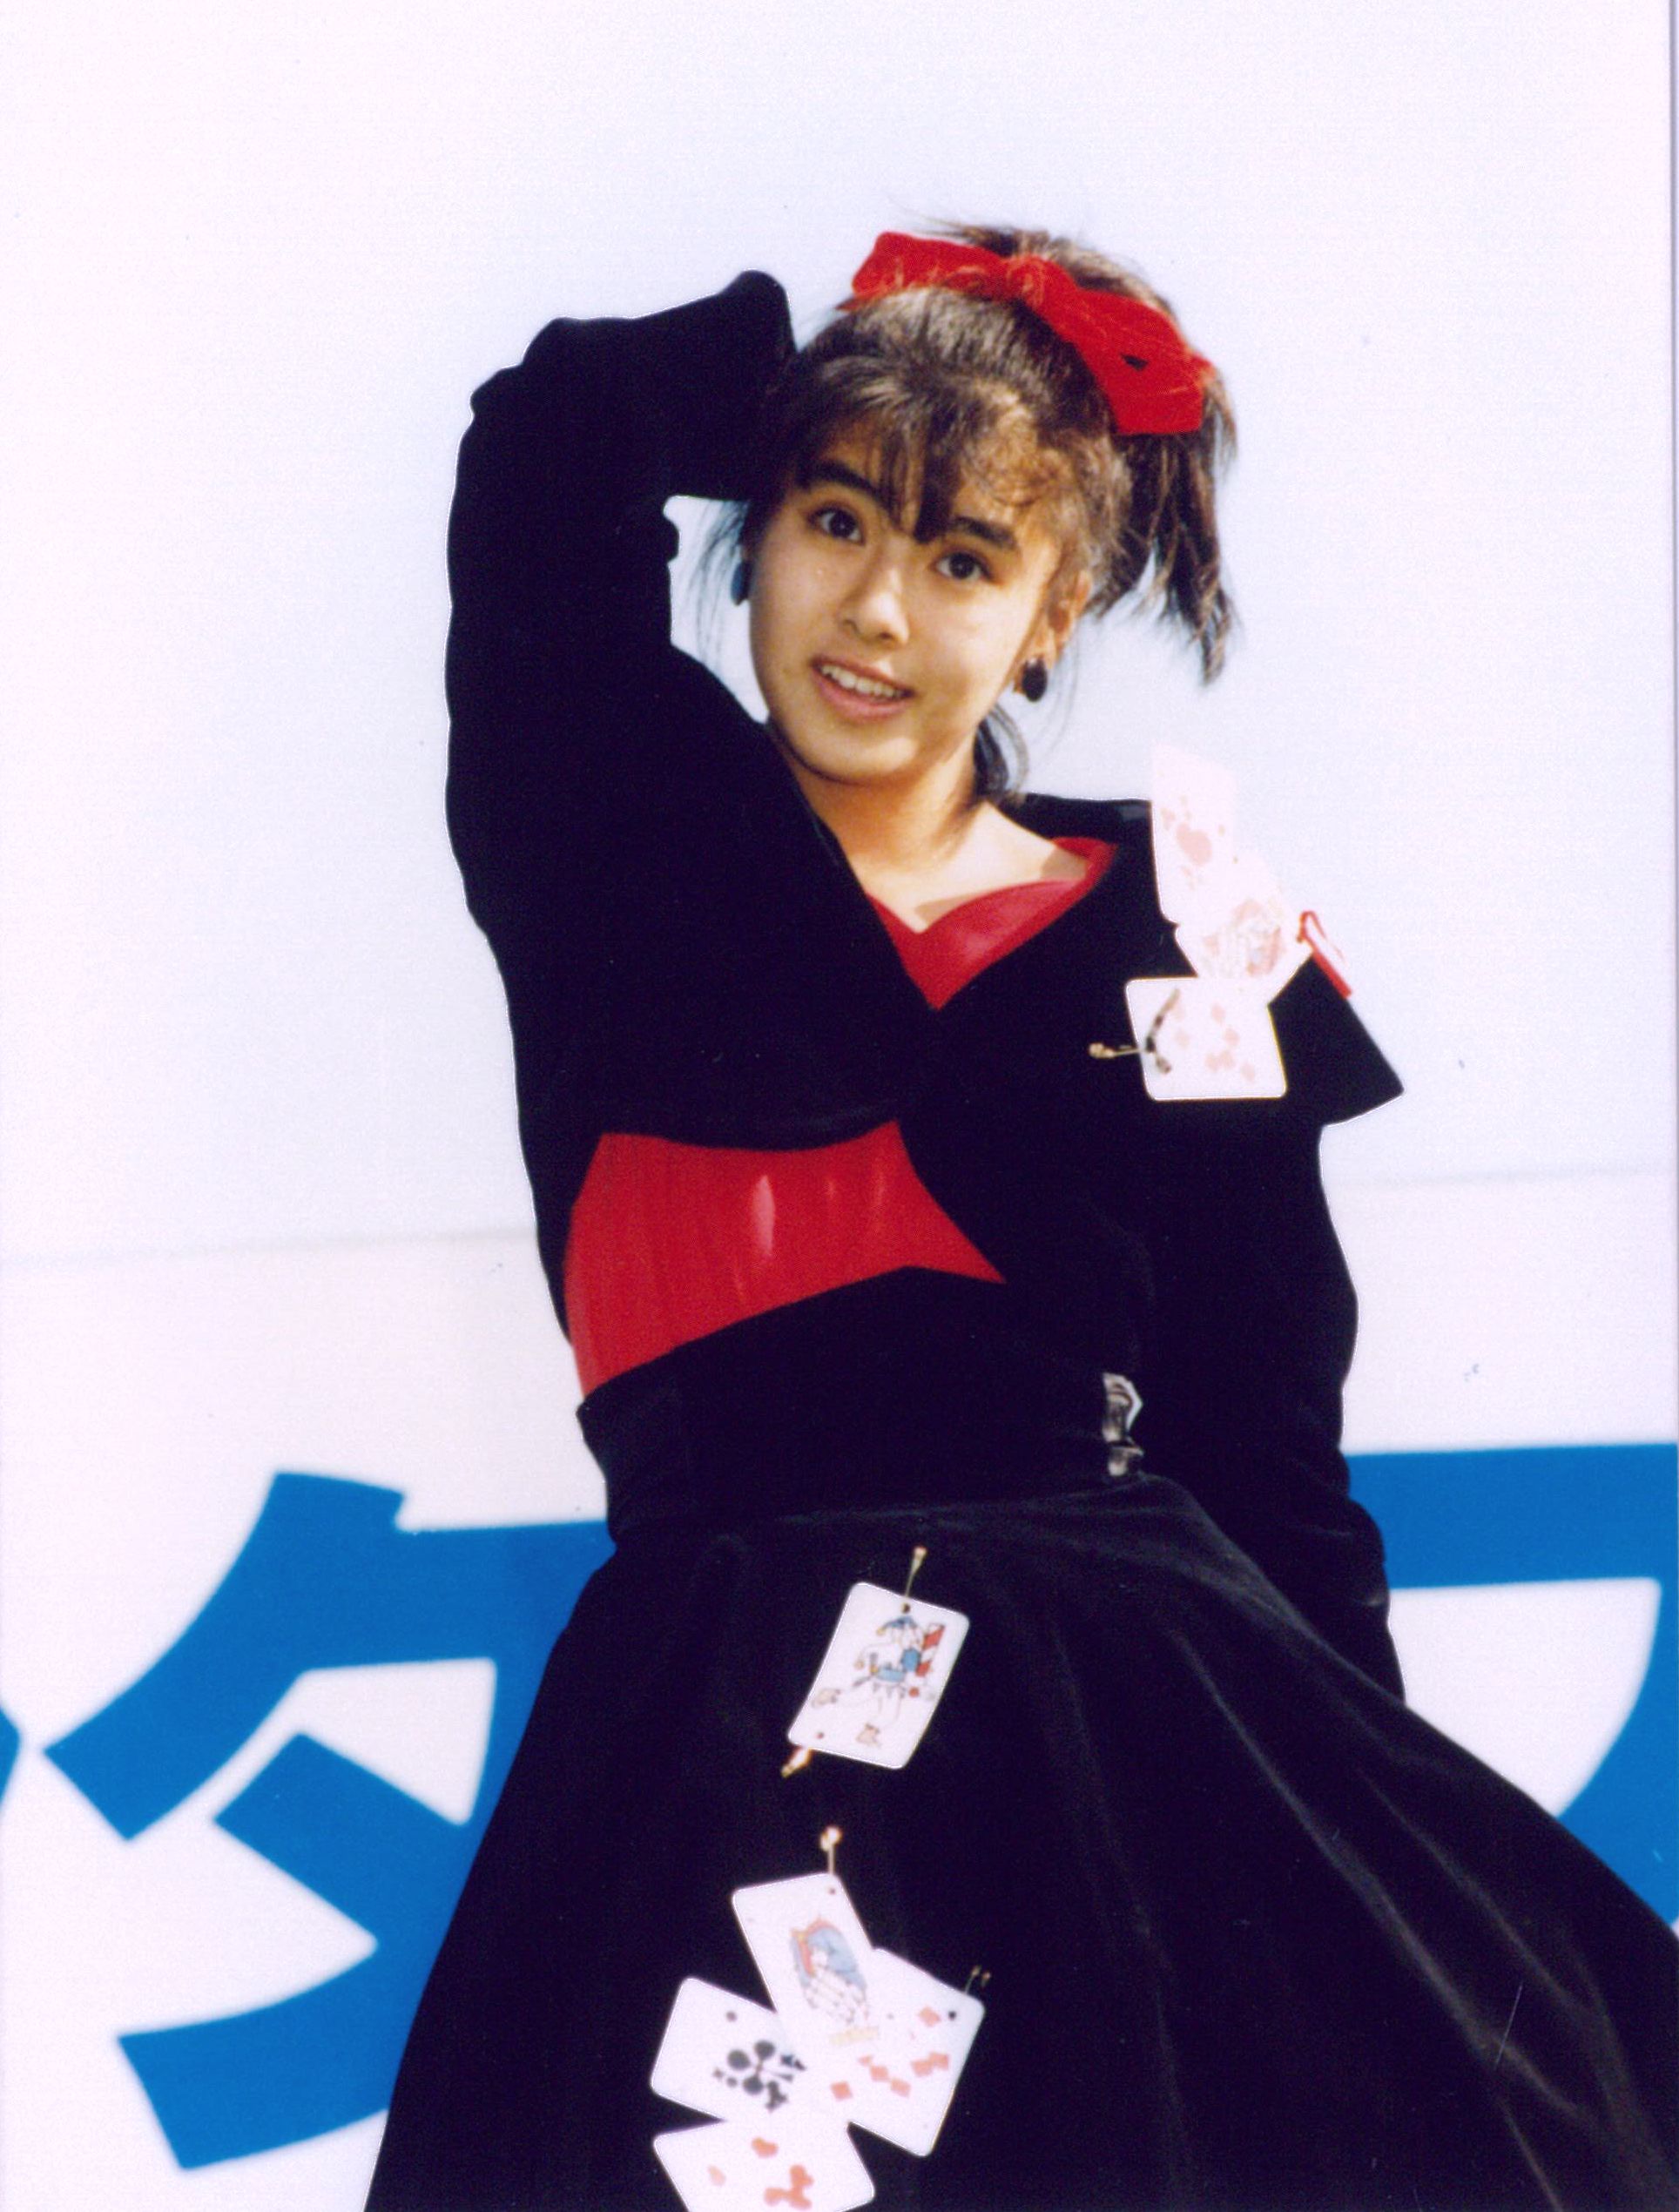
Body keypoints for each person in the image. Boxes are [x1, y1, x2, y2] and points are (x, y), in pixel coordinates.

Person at [366, 229, 1677, 2210]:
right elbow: (549, 436)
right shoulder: (614, 831)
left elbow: (1271, 1462)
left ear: (1057, 608)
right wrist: (861, 360)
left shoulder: (1185, 924)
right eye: (832, 520)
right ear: (754, 531)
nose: (877, 611)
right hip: (728, 1724)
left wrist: (1374, 1885)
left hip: (1137, 1740)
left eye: (966, 557)